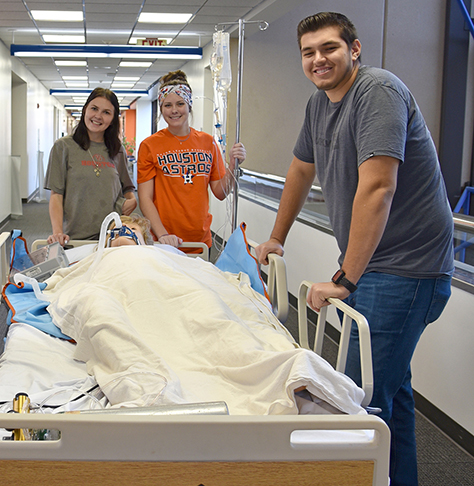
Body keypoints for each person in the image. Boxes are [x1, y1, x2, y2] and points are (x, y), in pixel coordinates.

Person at [255, 12, 454, 486]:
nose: (318, 59)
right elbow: (301, 170)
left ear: (355, 49)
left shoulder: (378, 92)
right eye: (309, 52)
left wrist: (345, 277)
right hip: (378, 268)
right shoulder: (319, 105)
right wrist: (278, 236)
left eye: (329, 48)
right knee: (391, 395)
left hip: (408, 269)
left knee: (351, 397)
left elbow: (379, 187)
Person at [137, 70, 246, 250]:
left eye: (180, 104)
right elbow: (145, 198)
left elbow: (220, 192)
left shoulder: (207, 142)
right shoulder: (150, 146)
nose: (174, 110)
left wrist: (233, 166)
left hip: (200, 241)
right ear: (161, 108)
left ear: (189, 105)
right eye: (167, 105)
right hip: (164, 239)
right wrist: (162, 234)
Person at [45, 87, 137, 245]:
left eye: (106, 112)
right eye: (94, 108)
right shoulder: (63, 147)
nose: (98, 116)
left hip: (112, 237)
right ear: (85, 109)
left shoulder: (117, 149)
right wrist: (57, 232)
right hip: (75, 237)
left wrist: (133, 200)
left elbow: (127, 188)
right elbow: (56, 194)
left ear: (113, 119)